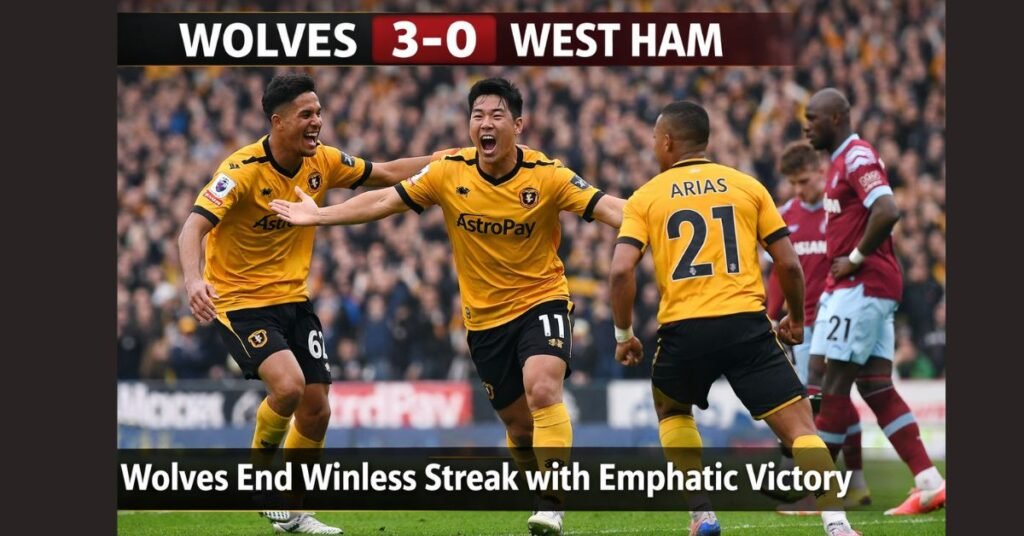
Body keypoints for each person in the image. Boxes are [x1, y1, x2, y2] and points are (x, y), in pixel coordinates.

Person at [269, 77, 625, 536]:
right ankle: (541, 489)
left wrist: (656, 218)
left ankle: (551, 503)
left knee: (542, 389)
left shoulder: (548, 175)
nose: (486, 124)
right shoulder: (449, 171)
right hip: (484, 322)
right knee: (520, 430)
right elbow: (384, 200)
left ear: (518, 125)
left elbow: (610, 208)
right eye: (478, 116)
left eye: (497, 115)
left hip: (542, 300)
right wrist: (320, 214)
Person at [179, 72, 445, 534]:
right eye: (306, 114)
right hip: (240, 302)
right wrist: (192, 279)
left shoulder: (323, 160)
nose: (317, 121)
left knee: (317, 408)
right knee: (288, 387)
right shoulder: (241, 170)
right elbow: (193, 227)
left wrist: (444, 160)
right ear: (278, 122)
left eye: (319, 112)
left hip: (294, 301)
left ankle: (294, 512)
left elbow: (384, 172)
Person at [609, 100, 860, 536]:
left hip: (684, 330)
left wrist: (624, 334)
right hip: (746, 325)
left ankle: (702, 514)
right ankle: (836, 524)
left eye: (653, 139)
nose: (652, 146)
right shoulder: (748, 187)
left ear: (667, 141)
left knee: (671, 409)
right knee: (800, 426)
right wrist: (795, 319)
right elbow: (789, 264)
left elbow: (619, 271)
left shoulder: (646, 197)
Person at [803, 87, 945, 515]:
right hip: (864, 288)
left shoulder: (856, 157)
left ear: (836, 117)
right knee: (875, 386)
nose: (806, 127)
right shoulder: (838, 161)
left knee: (832, 384)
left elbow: (887, 209)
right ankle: (929, 481)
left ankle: (818, 491)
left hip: (861, 287)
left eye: (812, 118)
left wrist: (855, 258)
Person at [765, 142, 870, 512]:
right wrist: (770, 313)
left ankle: (813, 487)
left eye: (805, 181)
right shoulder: (783, 216)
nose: (799, 189)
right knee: (835, 397)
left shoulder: (838, 212)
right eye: (793, 183)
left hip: (835, 317)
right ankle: (855, 481)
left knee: (818, 400)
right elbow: (779, 273)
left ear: (820, 172)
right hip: (800, 325)